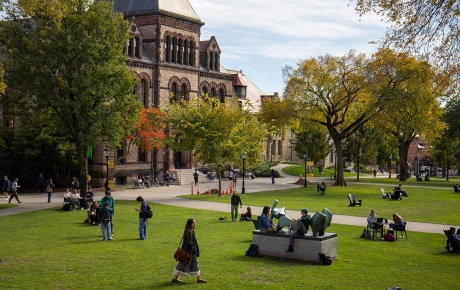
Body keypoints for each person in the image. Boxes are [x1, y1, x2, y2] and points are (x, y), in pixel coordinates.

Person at [172, 219, 207, 283]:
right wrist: (192, 248)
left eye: (195, 222)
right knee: (183, 264)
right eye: (193, 223)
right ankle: (175, 278)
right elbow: (188, 243)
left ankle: (198, 278)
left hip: (191, 252)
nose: (195, 224)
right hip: (189, 252)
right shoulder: (189, 232)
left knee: (195, 264)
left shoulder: (190, 231)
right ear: (190, 224)